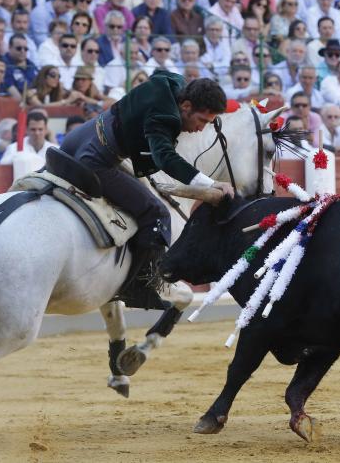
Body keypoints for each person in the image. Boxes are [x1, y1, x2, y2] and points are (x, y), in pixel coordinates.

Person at [58, 74, 232, 319]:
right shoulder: (166, 118)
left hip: (78, 139)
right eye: (201, 120)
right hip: (96, 161)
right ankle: (138, 287)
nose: (200, 128)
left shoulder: (172, 83)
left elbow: (160, 74)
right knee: (157, 212)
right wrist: (212, 183)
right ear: (185, 106)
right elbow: (165, 159)